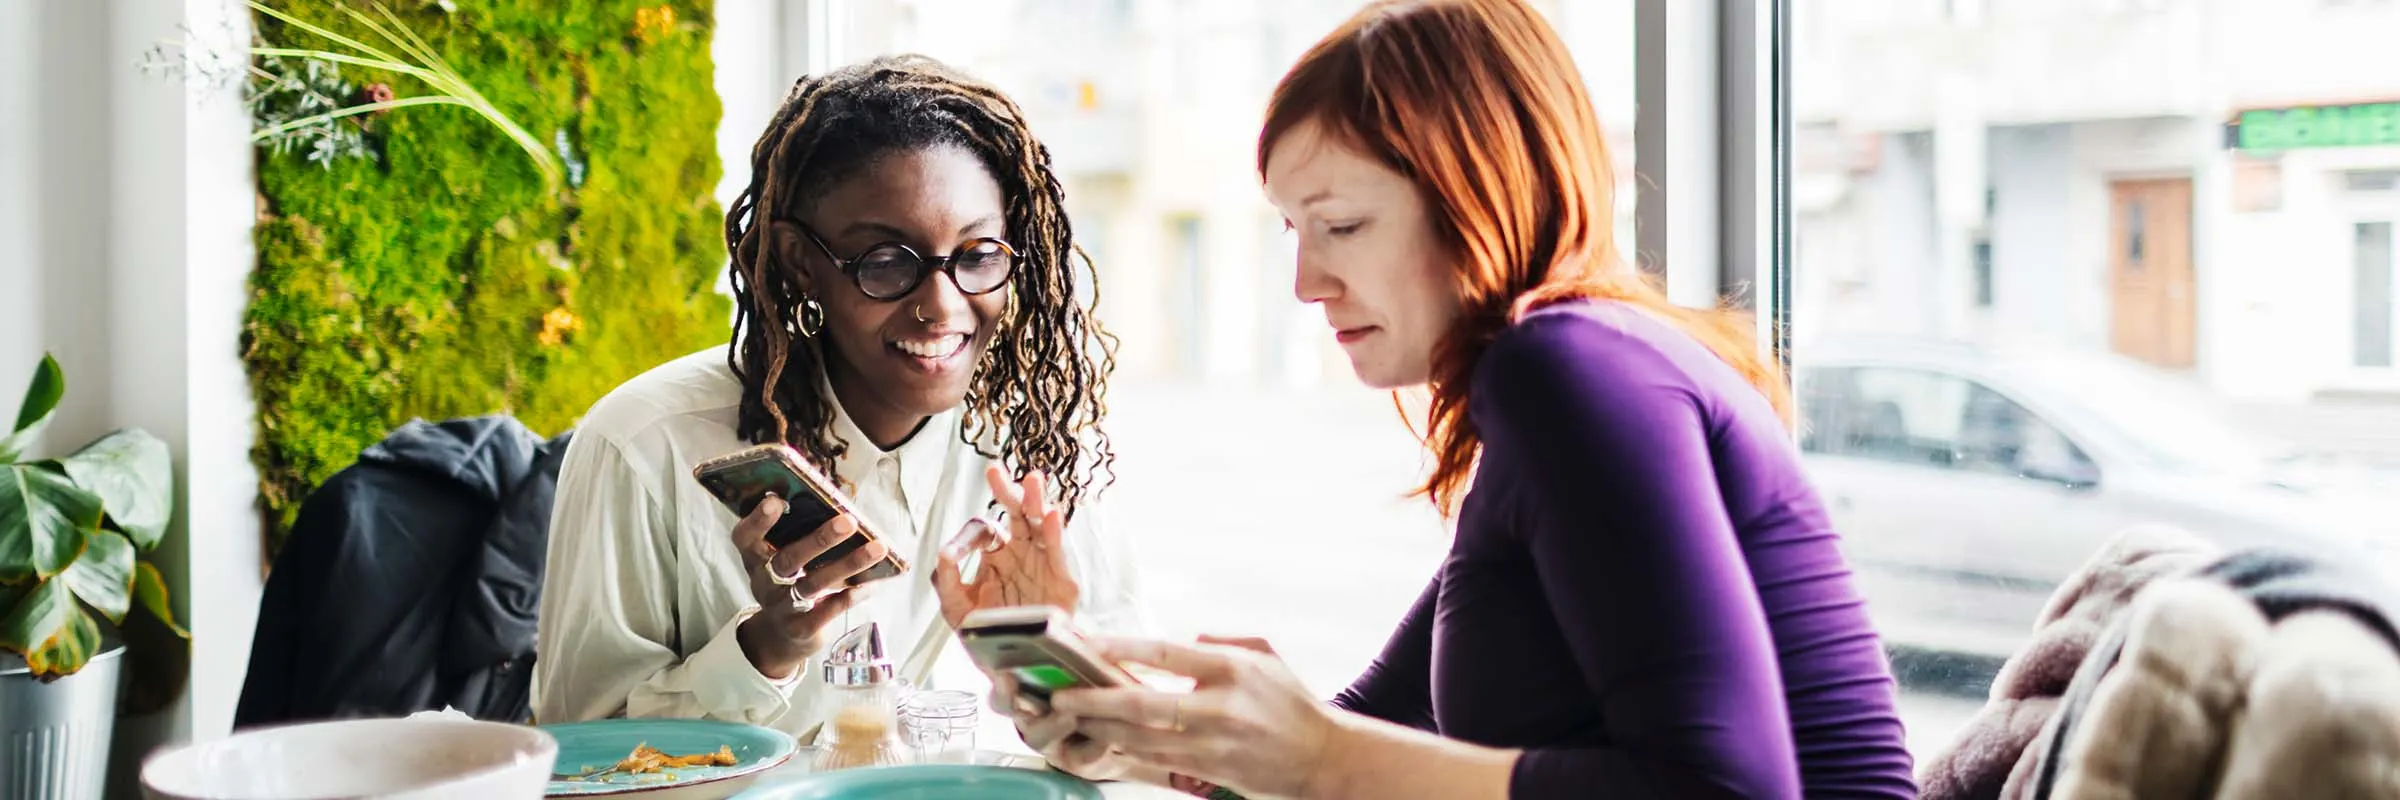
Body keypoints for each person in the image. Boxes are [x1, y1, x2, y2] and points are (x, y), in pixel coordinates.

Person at [992, 1, 1918, 797]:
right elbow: (1367, 733)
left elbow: (1722, 791)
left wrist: (1318, 757)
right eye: (1292, 231)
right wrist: (1128, 728)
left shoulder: (1567, 372)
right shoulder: (1566, 382)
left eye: (1342, 225)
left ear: (1475, 196)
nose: (1307, 282)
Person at [534, 54, 1145, 739]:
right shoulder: (644, 445)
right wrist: (768, 648)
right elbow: (577, 754)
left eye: (977, 257)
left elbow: (1118, 744)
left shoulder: (1032, 442)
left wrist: (1040, 659)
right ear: (801, 261)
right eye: (886, 263)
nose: (941, 308)